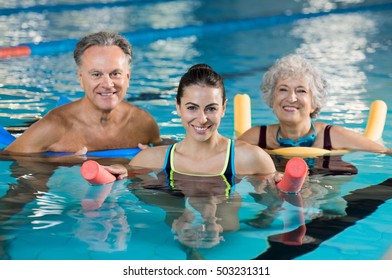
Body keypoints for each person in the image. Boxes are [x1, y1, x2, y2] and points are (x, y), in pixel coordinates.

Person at [106, 63, 278, 182]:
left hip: (228, 234)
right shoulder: (149, 159)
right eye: (192, 108)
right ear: (178, 107)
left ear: (224, 108)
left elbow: (270, 210)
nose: (202, 119)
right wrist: (123, 171)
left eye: (211, 108)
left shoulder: (252, 159)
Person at [4, 31, 162, 154]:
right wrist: (60, 162)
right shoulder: (54, 126)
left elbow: (166, 154)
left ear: (127, 77)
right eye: (96, 75)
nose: (107, 84)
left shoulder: (144, 123)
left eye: (115, 73)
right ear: (81, 78)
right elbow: (8, 158)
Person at [238, 54, 390, 155]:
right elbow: (222, 156)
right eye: (283, 89)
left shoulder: (333, 136)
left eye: (301, 91)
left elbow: (385, 152)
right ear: (272, 98)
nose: (291, 98)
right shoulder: (257, 137)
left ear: (314, 103)